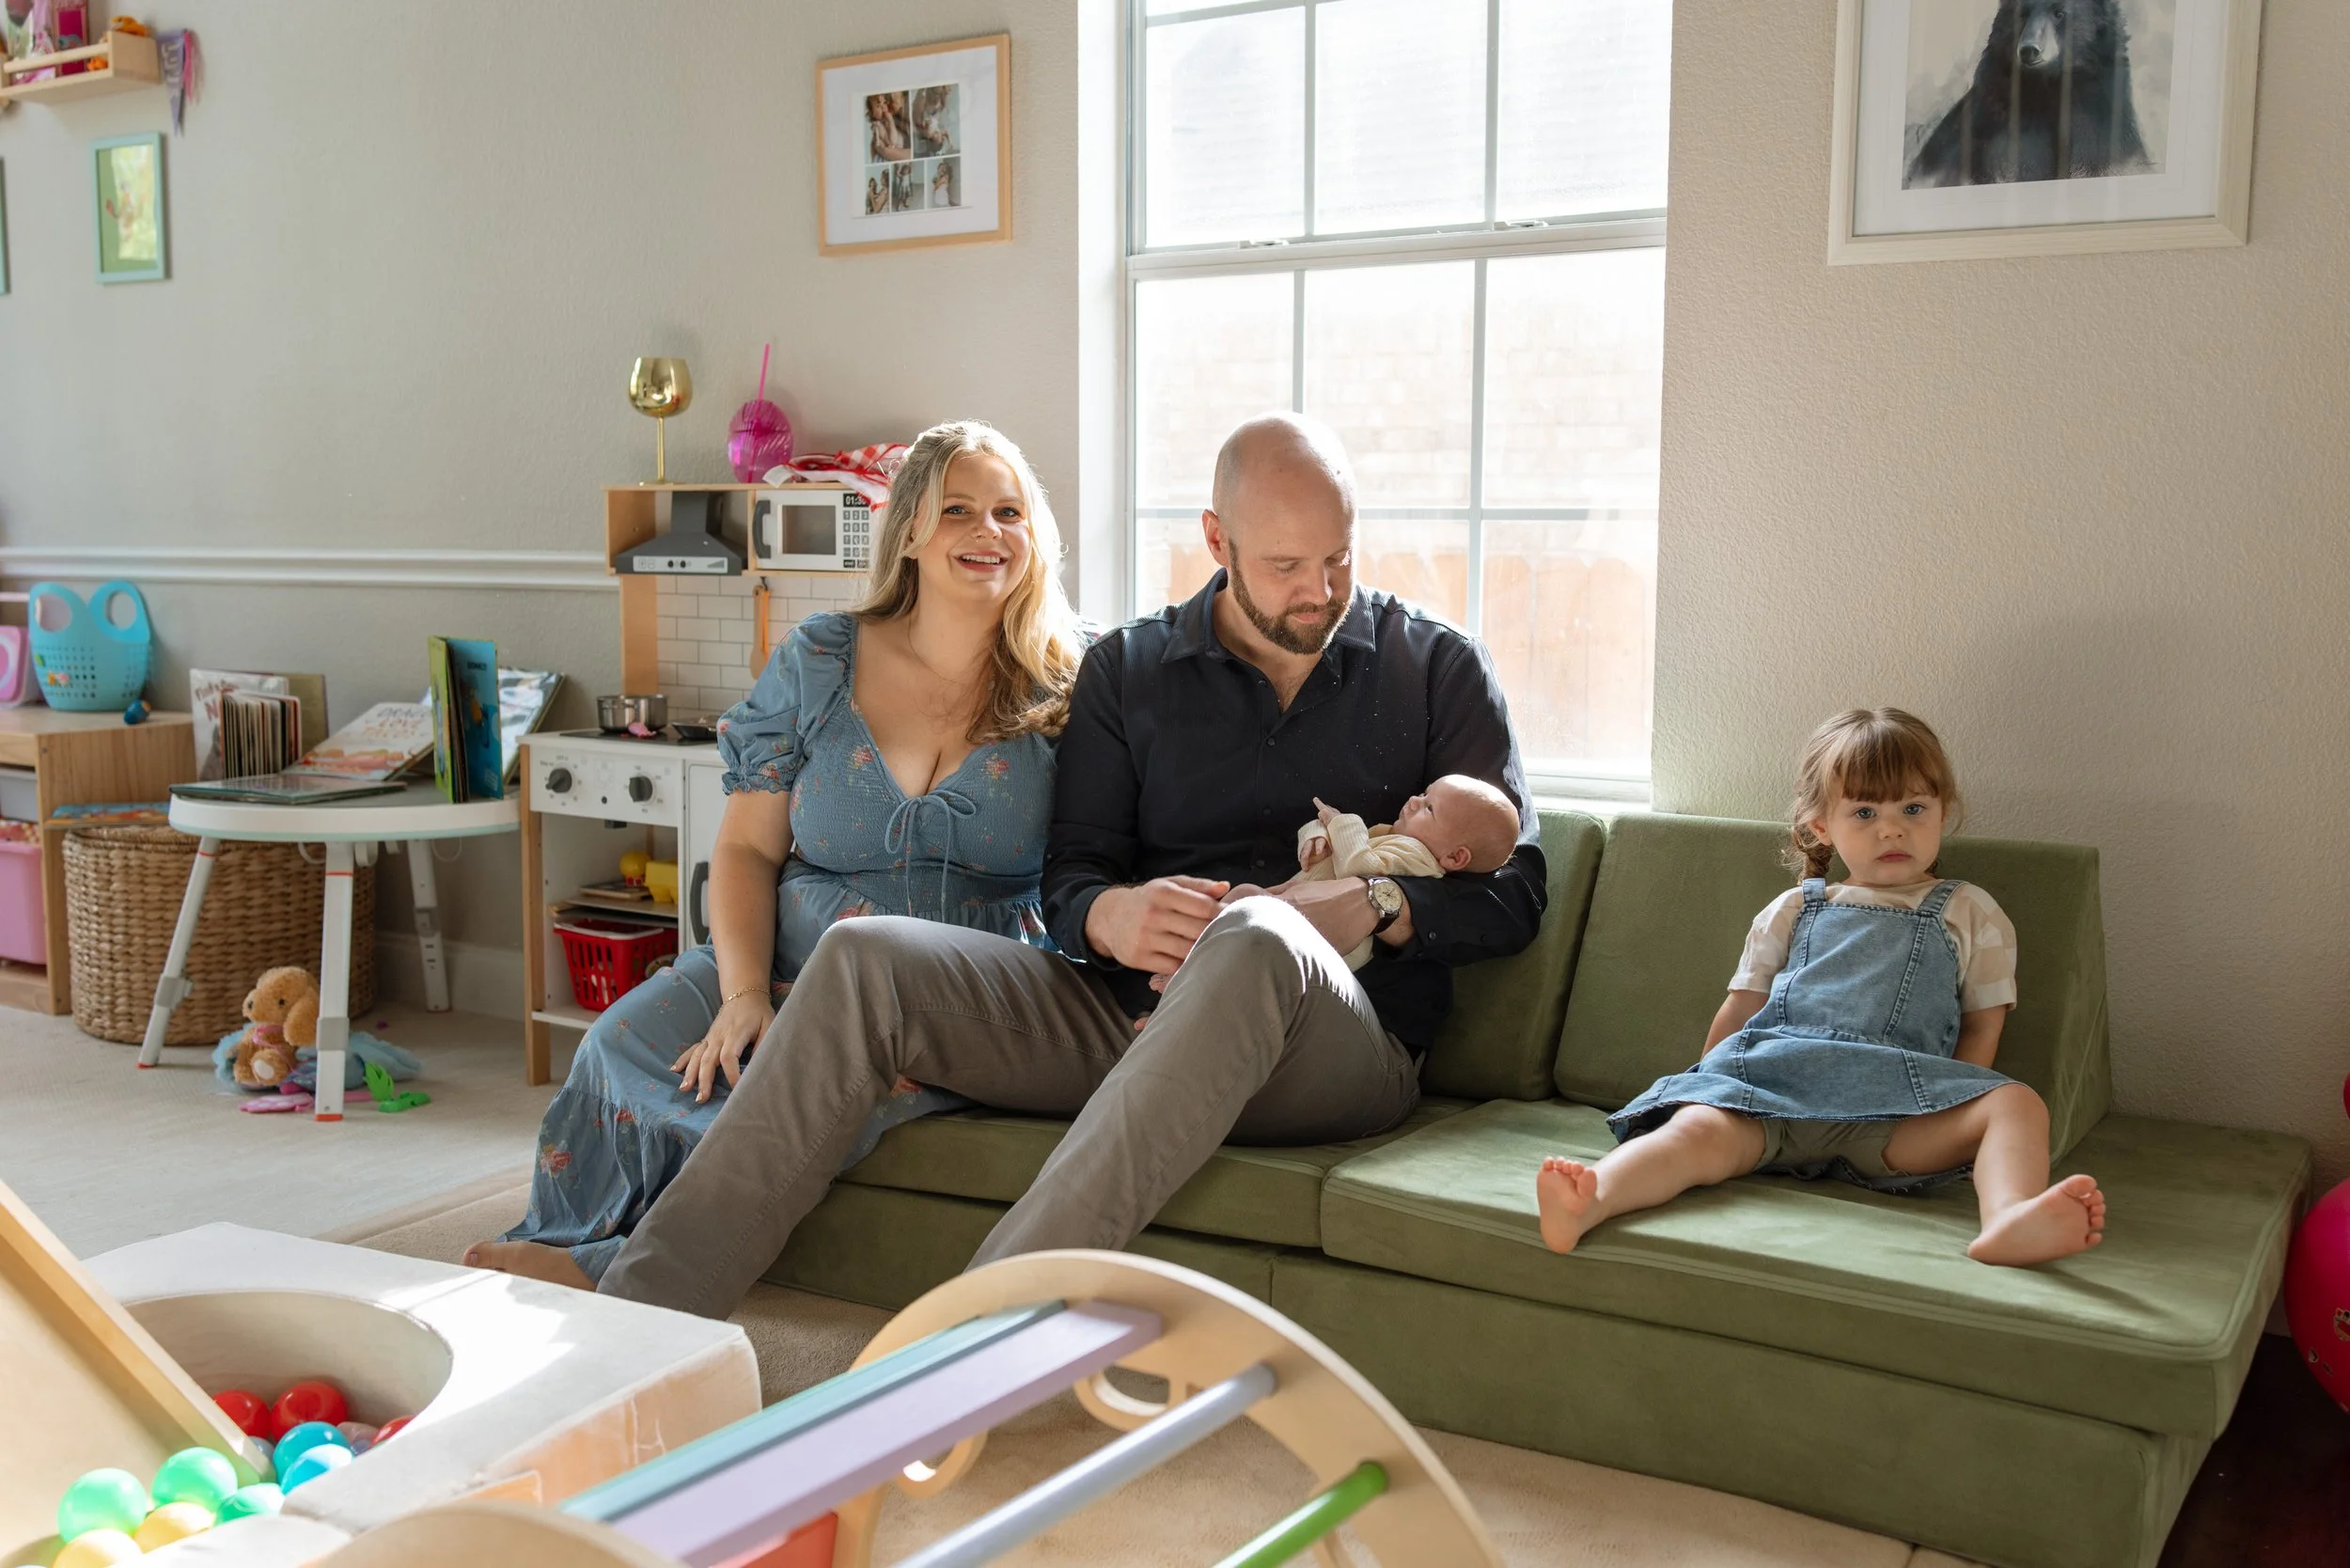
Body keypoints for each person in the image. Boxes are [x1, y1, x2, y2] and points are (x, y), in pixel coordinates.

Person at [590, 411, 1548, 1320]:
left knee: (1262, 933)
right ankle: (637, 1326)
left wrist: (1376, 903)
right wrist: (1108, 919)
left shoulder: (1437, 669)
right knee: (861, 960)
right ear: (1217, 541)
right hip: (1128, 1017)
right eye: (1287, 565)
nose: (1320, 590)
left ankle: (960, 1353)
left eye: (1338, 558)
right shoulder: (1128, 671)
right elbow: (1072, 874)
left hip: (1335, 1051)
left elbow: (1516, 893)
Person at [464, 420, 1086, 1290]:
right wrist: (744, 995)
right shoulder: (821, 658)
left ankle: (611, 1269)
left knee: (803, 1108)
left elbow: (1097, 874)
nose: (989, 534)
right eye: (959, 512)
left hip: (944, 990)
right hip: (792, 949)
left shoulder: (1072, 686)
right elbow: (750, 850)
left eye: (1010, 513)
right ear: (908, 530)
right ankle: (569, 1233)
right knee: (619, 1044)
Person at [1534, 708, 2107, 1268]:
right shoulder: (1793, 908)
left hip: (1891, 1114)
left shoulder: (1970, 911)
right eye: (1863, 811)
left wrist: (1947, 1098)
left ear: (1943, 812)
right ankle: (1592, 1199)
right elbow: (1742, 1007)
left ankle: (2009, 1217)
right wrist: (1709, 1087)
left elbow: (1984, 1024)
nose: (1892, 827)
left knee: (2017, 1102)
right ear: (1820, 827)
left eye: (1913, 807)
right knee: (1693, 1135)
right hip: (1768, 1100)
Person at [1289, 776, 1522, 967]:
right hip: (1298, 915)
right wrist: (1318, 835)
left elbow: (1360, 871)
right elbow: (1336, 852)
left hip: (1329, 947)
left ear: (1454, 857)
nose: (1412, 801)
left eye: (1429, 809)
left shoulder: (1417, 856)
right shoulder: (1393, 835)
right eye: (1423, 794)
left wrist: (1342, 822)